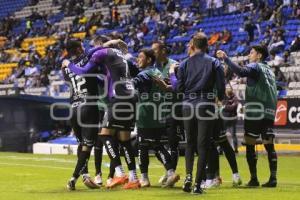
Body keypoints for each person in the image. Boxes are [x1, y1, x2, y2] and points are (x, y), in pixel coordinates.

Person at [62, 40, 140, 189]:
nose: (91, 49)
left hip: (116, 98)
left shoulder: (101, 53)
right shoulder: (122, 57)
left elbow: (84, 70)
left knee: (104, 135)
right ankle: (133, 178)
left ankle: (119, 173)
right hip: (131, 95)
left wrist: (68, 64)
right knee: (124, 140)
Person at [170, 32, 225, 194]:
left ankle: (188, 178)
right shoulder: (214, 62)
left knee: (190, 144)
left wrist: (174, 76)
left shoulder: (185, 64)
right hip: (205, 105)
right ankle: (197, 184)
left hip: (187, 105)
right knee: (203, 146)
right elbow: (221, 86)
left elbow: (179, 89)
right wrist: (219, 98)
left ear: (193, 46)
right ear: (206, 46)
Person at [217, 45, 278, 188]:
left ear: (259, 56)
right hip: (269, 112)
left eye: (251, 53)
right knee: (269, 145)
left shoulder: (255, 66)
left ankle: (254, 179)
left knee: (250, 145)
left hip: (255, 111)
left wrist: (226, 58)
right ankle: (273, 178)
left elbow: (240, 71)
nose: (249, 55)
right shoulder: (270, 70)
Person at [132, 48, 180, 188]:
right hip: (158, 114)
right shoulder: (158, 71)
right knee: (156, 144)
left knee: (144, 146)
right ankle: (166, 172)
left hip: (146, 115)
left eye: (140, 57)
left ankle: (149, 177)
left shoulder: (145, 74)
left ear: (148, 60)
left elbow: (135, 82)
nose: (138, 60)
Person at [61, 39, 101, 191]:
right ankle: (73, 178)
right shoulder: (88, 60)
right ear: (78, 49)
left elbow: (68, 78)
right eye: (82, 46)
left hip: (74, 109)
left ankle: (85, 175)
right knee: (88, 145)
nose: (84, 47)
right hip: (89, 106)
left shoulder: (66, 67)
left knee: (82, 144)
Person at [151, 41, 183, 185]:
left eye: (155, 50)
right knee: (155, 142)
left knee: (173, 143)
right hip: (158, 111)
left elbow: (180, 88)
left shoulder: (175, 65)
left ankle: (171, 174)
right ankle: (169, 170)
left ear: (163, 50)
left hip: (174, 110)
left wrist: (165, 86)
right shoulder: (153, 68)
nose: (153, 53)